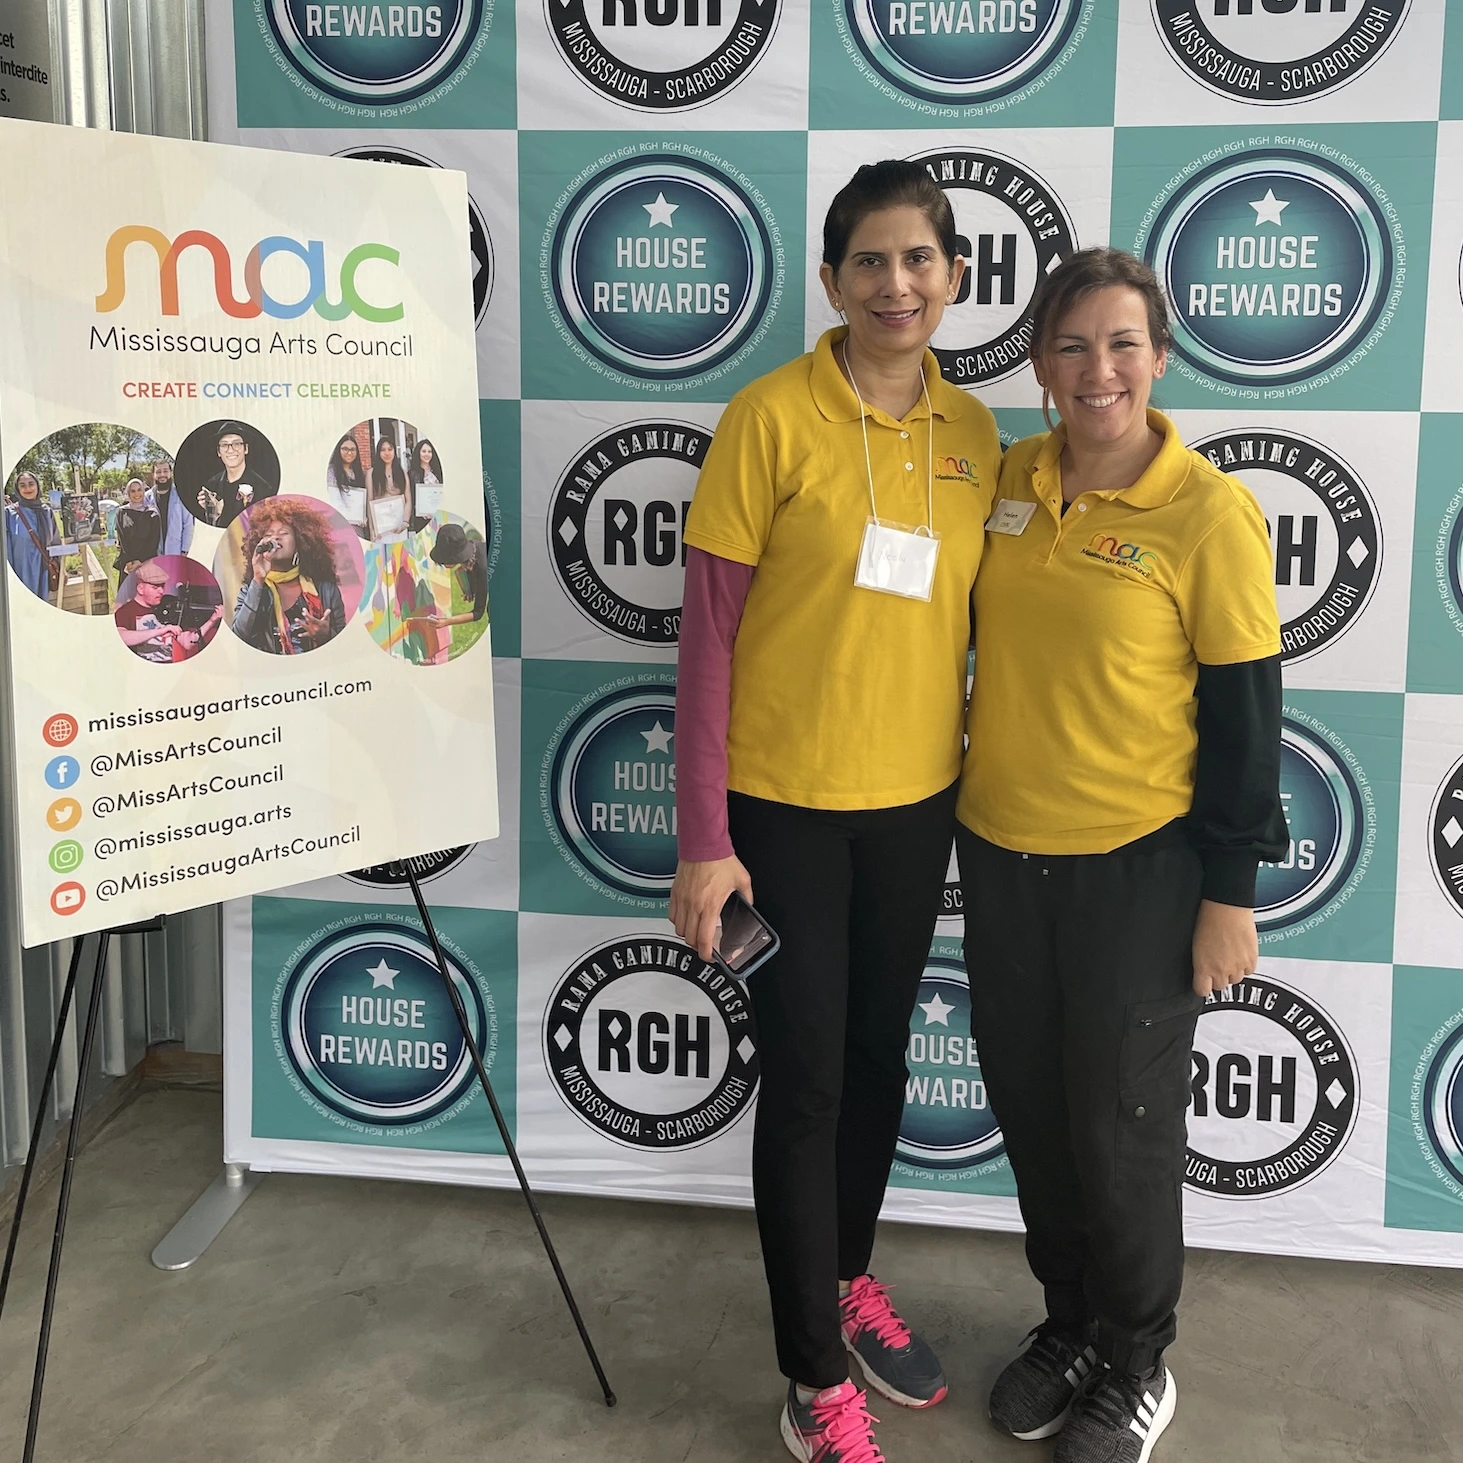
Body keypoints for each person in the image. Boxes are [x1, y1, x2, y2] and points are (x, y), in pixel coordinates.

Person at [669, 160, 1001, 1463]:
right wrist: (704, 840)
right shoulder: (766, 418)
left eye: (917, 259)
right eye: (867, 260)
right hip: (783, 815)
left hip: (913, 808)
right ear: (829, 280)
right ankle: (810, 1372)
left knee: (872, 1063)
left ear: (952, 276)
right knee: (804, 1084)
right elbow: (705, 643)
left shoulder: (974, 437)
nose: (894, 284)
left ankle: (845, 1276)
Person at [955, 247, 1286, 1463]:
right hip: (997, 856)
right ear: (1038, 363)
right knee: (1036, 1113)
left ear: (1158, 357)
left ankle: (1138, 1355)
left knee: (1121, 1127)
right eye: (1072, 344)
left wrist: (1228, 893)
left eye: (1121, 343)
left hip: (1136, 869)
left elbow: (1250, 718)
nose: (1097, 368)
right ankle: (1071, 1323)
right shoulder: (1007, 479)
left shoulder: (1206, 511)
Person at [231, 499, 347, 655]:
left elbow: (345, 647)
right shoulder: (250, 591)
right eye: (269, 534)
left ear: (300, 541)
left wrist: (326, 635)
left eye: (283, 533)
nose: (276, 538)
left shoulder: (325, 589)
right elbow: (239, 638)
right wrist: (258, 579)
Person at [197, 422, 274, 528]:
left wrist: (222, 512)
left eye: (237, 444)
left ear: (246, 449)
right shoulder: (212, 485)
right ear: (219, 452)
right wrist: (210, 512)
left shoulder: (263, 488)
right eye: (224, 445)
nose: (230, 450)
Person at [114, 562, 186, 661]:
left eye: (162, 586)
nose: (161, 591)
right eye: (155, 587)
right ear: (140, 589)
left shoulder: (168, 607)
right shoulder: (126, 612)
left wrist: (211, 621)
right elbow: (121, 637)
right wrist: (160, 631)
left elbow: (187, 642)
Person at [5, 470, 57, 601]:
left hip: (44, 571)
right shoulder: (9, 514)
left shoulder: (47, 512)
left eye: (31, 484)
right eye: (22, 485)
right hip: (22, 570)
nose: (27, 488)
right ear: (17, 489)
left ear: (37, 486)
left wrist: (58, 564)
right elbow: (6, 549)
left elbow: (55, 541)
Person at [366, 435, 411, 538]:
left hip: (399, 527)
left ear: (394, 451)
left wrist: (405, 522)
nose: (387, 453)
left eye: (390, 449)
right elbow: (370, 502)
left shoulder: (402, 472)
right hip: (381, 529)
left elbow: (408, 499)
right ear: (378, 453)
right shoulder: (371, 473)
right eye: (383, 450)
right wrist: (372, 530)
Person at [325, 433, 369, 535]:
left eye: (353, 449)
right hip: (337, 527)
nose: (349, 453)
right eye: (345, 449)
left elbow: (362, 503)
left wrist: (363, 517)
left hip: (357, 529)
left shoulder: (359, 473)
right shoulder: (330, 472)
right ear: (338, 450)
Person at [115, 478, 160, 576]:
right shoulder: (122, 512)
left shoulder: (152, 513)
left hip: (146, 561)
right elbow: (122, 539)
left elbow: (153, 540)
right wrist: (129, 560)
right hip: (128, 564)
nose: (136, 494)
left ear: (144, 491)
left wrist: (140, 561)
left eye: (139, 490)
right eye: (133, 491)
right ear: (128, 493)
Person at [151, 457, 193, 555]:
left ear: (171, 472)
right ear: (153, 475)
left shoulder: (181, 495)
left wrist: (184, 550)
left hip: (175, 551)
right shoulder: (148, 497)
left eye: (165, 471)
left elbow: (188, 524)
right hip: (153, 552)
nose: (162, 475)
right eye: (158, 472)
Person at [407, 438, 444, 528]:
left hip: (440, 516)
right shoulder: (412, 474)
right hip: (421, 520)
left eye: (429, 451)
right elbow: (411, 497)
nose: (427, 454)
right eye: (424, 451)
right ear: (418, 453)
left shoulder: (439, 472)